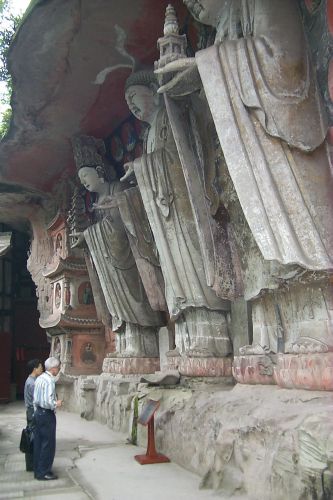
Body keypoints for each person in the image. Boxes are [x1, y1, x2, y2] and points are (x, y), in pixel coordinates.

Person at [33, 357, 62, 481]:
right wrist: (57, 403)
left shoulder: (39, 378)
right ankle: (44, 471)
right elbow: (47, 402)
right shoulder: (50, 380)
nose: (59, 370)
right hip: (46, 414)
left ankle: (38, 469)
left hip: (38, 413)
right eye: (58, 367)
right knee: (48, 443)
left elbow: (36, 399)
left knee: (39, 442)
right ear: (53, 368)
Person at [23, 359, 43, 472]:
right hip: (33, 412)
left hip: (30, 411)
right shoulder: (32, 383)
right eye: (40, 367)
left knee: (32, 437)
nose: (42, 369)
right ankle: (32, 464)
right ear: (35, 369)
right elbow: (37, 401)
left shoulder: (31, 380)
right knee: (33, 438)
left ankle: (31, 463)